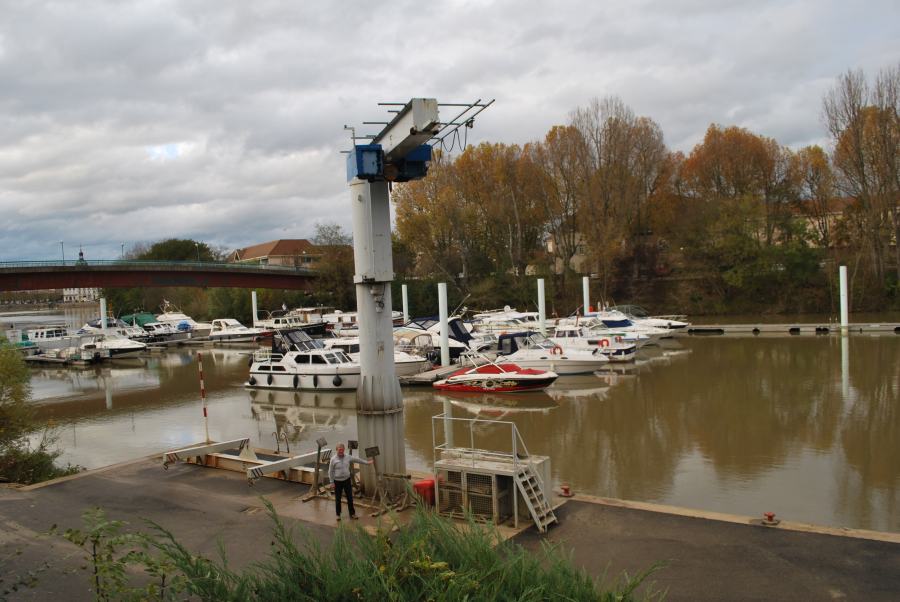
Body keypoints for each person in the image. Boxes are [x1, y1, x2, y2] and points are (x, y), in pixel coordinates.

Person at [327, 443, 372, 521]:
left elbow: (357, 459)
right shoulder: (333, 459)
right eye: (339, 450)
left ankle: (352, 514)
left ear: (344, 450)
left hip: (347, 480)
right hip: (337, 482)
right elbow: (330, 471)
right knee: (338, 499)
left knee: (350, 498)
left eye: (342, 449)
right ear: (336, 450)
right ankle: (338, 515)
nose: (341, 451)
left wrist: (367, 463)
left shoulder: (348, 457)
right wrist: (331, 482)